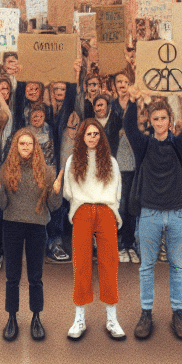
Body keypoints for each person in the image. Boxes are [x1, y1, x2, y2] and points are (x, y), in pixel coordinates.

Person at [123, 89, 182, 341]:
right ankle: (146, 313)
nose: (159, 123)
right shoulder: (143, 145)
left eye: (163, 118)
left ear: (170, 120)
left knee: (177, 265)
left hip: (177, 214)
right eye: (155, 119)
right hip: (149, 214)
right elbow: (129, 126)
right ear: (150, 121)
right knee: (147, 267)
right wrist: (133, 101)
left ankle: (177, 313)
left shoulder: (178, 144)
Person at [0, 126, 63, 342]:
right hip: (12, 226)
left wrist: (57, 191)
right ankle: (12, 318)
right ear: (16, 146)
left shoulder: (48, 171)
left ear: (35, 147)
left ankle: (36, 317)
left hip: (36, 227)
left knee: (35, 277)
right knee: (12, 276)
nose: (26, 147)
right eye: (22, 144)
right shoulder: (5, 170)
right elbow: (3, 204)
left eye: (29, 144)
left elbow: (53, 205)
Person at [63, 118, 125, 340]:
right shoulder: (72, 160)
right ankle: (79, 318)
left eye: (96, 134)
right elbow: (68, 191)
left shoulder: (110, 161)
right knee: (81, 264)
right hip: (82, 211)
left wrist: (109, 209)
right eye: (88, 134)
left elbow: (116, 190)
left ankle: (112, 318)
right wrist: (82, 205)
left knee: (110, 264)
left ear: (101, 136)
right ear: (82, 136)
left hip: (105, 211)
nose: (92, 137)